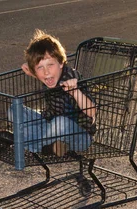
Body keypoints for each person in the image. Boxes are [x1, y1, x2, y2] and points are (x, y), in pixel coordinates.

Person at [14, 29, 96, 157]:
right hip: (51, 126)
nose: (46, 72)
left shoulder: (72, 77)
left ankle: (29, 144)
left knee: (60, 122)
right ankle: (52, 146)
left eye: (50, 65)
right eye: (40, 67)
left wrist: (75, 91)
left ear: (61, 63)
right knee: (15, 110)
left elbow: (92, 112)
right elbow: (50, 79)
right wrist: (33, 72)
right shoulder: (48, 77)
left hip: (78, 135)